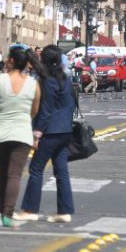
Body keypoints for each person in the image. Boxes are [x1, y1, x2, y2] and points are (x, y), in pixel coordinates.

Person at [0, 45, 43, 227]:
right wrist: (25, 119)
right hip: (22, 133)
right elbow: (35, 109)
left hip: (1, 133)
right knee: (15, 175)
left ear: (12, 61)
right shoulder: (33, 83)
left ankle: (2, 211)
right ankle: (8, 213)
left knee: (3, 174)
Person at [16, 45, 77, 224]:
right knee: (61, 172)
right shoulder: (64, 79)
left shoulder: (48, 80)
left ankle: (30, 209)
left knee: (35, 169)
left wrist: (37, 133)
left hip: (50, 131)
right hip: (65, 130)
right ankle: (65, 211)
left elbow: (46, 109)